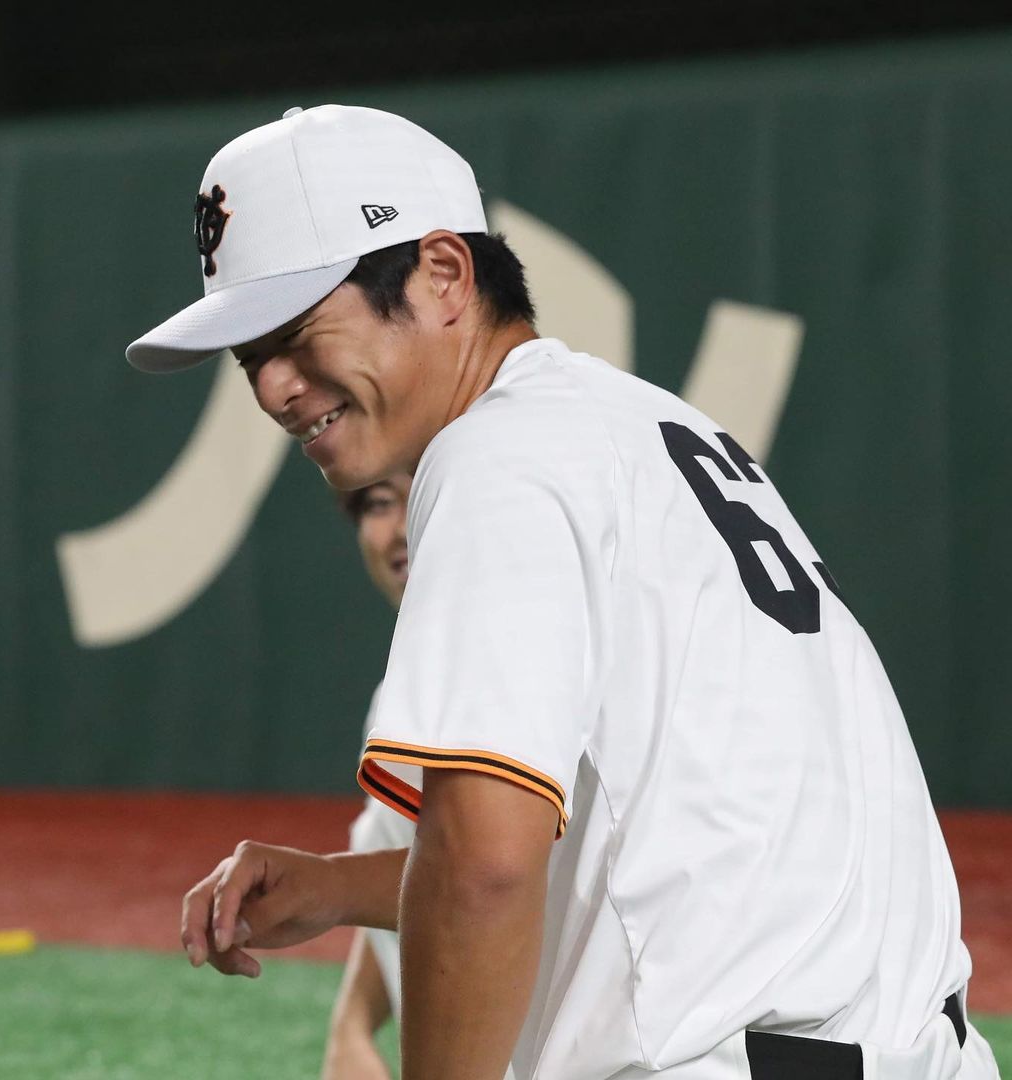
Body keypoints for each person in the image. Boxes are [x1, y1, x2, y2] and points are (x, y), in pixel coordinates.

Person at [127, 105, 997, 1079]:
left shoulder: (497, 456)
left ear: (443, 275)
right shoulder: (645, 425)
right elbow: (653, 843)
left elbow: (485, 864)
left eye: (296, 333)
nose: (273, 388)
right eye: (250, 358)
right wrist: (336, 887)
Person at [324, 476, 411, 1080]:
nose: (401, 527)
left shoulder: (533, 670)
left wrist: (326, 887)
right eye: (379, 504)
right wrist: (351, 1024)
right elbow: (417, 868)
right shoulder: (401, 692)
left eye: (429, 488)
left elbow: (481, 883)